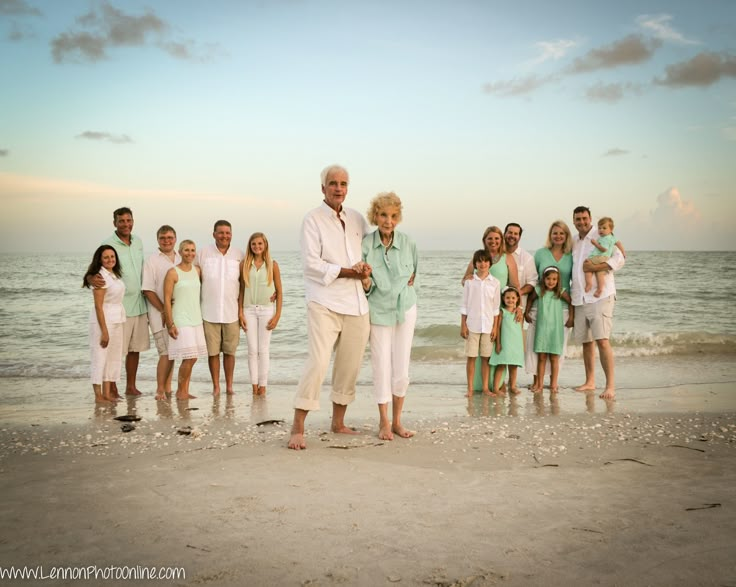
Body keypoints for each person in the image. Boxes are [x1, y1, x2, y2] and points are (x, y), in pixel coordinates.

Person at [288, 164, 372, 450]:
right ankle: (298, 425)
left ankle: (338, 422)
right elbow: (311, 265)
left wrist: (370, 272)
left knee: (350, 365)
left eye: (344, 184)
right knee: (319, 361)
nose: (339, 188)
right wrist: (350, 272)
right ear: (323, 188)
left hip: (357, 302)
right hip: (323, 300)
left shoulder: (358, 219)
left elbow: (373, 251)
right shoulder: (312, 220)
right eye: (333, 183)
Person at [361, 191, 418, 440]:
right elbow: (365, 286)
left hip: (405, 308)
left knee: (401, 367)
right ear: (375, 215)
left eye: (393, 216)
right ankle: (383, 421)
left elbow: (413, 274)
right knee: (381, 365)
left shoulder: (408, 243)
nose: (388, 220)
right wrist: (364, 280)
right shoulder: (365, 245)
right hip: (378, 310)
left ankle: (397, 421)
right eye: (383, 215)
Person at [89, 207, 149, 397]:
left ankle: (130, 386)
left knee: (135, 348)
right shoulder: (108, 244)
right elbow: (97, 268)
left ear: (133, 221)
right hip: (121, 305)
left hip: (139, 303)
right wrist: (90, 278)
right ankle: (111, 388)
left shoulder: (138, 241)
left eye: (128, 220)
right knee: (115, 350)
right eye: (121, 221)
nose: (126, 224)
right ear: (114, 223)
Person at [571, 206, 625, 399]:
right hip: (580, 298)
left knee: (602, 341)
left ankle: (610, 386)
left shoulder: (602, 233)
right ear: (574, 221)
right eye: (578, 219)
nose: (582, 222)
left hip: (600, 296)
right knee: (586, 342)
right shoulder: (575, 241)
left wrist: (599, 266)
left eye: (584, 218)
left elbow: (620, 257)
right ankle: (590, 381)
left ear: (590, 218)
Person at [197, 220, 244, 396]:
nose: (224, 236)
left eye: (227, 232)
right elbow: (189, 275)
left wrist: (273, 292)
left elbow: (248, 281)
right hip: (209, 312)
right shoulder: (203, 253)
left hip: (232, 313)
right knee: (213, 353)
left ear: (231, 234)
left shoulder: (239, 254)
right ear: (214, 234)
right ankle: (216, 386)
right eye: (221, 232)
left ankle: (229, 386)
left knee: (230, 352)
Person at [525, 220, 574, 385]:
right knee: (536, 347)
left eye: (562, 233)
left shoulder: (571, 255)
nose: (558, 236)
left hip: (562, 308)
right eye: (555, 233)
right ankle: (537, 382)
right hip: (540, 306)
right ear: (550, 235)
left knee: (556, 348)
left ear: (566, 236)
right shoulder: (540, 253)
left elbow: (576, 280)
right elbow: (533, 279)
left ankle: (554, 383)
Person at [238, 232, 283, 396]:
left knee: (263, 349)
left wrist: (277, 315)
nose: (256, 247)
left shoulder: (273, 265)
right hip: (248, 309)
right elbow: (241, 290)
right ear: (250, 246)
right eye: (253, 244)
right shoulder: (244, 264)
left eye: (259, 244)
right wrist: (240, 313)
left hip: (266, 310)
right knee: (251, 349)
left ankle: (263, 386)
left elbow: (279, 291)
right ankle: (254, 386)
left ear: (265, 245)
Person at [164, 240, 207, 400]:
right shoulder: (172, 273)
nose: (190, 253)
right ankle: (180, 391)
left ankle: (184, 390)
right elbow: (167, 300)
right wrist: (170, 323)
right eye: (186, 250)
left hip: (196, 319)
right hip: (181, 319)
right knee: (189, 356)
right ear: (180, 252)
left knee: (193, 356)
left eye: (192, 250)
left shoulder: (197, 270)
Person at [142, 225, 181, 400]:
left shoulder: (181, 257)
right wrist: (164, 311)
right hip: (159, 315)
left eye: (170, 237)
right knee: (164, 353)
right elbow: (148, 290)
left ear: (175, 239)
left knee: (173, 353)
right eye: (163, 238)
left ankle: (167, 387)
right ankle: (159, 390)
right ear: (158, 240)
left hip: (178, 315)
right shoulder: (152, 260)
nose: (167, 241)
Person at [82, 245, 125, 404]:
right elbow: (98, 307)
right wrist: (104, 331)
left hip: (117, 320)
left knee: (112, 358)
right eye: (106, 257)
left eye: (112, 256)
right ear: (99, 259)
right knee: (99, 357)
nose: (110, 260)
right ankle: (98, 396)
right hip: (103, 321)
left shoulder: (114, 275)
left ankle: (107, 394)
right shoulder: (99, 277)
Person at [460, 249, 501, 397]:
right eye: (479, 261)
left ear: (490, 263)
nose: (482, 264)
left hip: (488, 326)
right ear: (475, 264)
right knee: (471, 357)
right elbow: (464, 305)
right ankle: (470, 389)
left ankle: (485, 388)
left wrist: (495, 328)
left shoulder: (495, 283)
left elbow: (496, 308)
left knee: (486, 358)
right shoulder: (470, 282)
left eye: (485, 261)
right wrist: (463, 325)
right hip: (472, 325)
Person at [525, 267, 572, 393]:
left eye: (554, 279)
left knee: (554, 358)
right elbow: (529, 299)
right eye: (548, 279)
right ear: (543, 279)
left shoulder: (560, 292)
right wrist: (526, 312)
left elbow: (571, 302)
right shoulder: (539, 290)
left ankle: (553, 385)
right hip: (541, 328)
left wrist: (571, 318)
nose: (551, 282)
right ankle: (539, 385)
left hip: (555, 329)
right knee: (541, 357)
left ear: (558, 280)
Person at [490, 286, 524, 395]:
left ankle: (512, 386)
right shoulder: (502, 312)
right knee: (501, 365)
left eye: (513, 298)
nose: (510, 300)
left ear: (517, 299)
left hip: (516, 343)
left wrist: (521, 344)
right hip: (505, 343)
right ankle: (496, 388)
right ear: (503, 299)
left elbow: (521, 329)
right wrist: (498, 343)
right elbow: (498, 329)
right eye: (508, 298)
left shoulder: (519, 313)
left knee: (514, 366)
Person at [585, 217, 625, 297]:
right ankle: (600, 289)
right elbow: (619, 243)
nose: (601, 230)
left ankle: (589, 284)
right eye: (599, 228)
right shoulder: (611, 238)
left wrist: (595, 243)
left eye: (604, 228)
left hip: (601, 256)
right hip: (604, 258)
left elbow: (603, 249)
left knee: (586, 265)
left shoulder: (604, 239)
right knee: (600, 274)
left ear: (611, 229)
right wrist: (623, 252)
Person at [503, 223, 537, 309]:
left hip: (516, 306)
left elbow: (532, 282)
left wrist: (516, 294)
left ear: (519, 237)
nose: (512, 236)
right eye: (510, 232)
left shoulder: (527, 258)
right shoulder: (496, 255)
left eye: (516, 234)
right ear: (504, 234)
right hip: (496, 306)